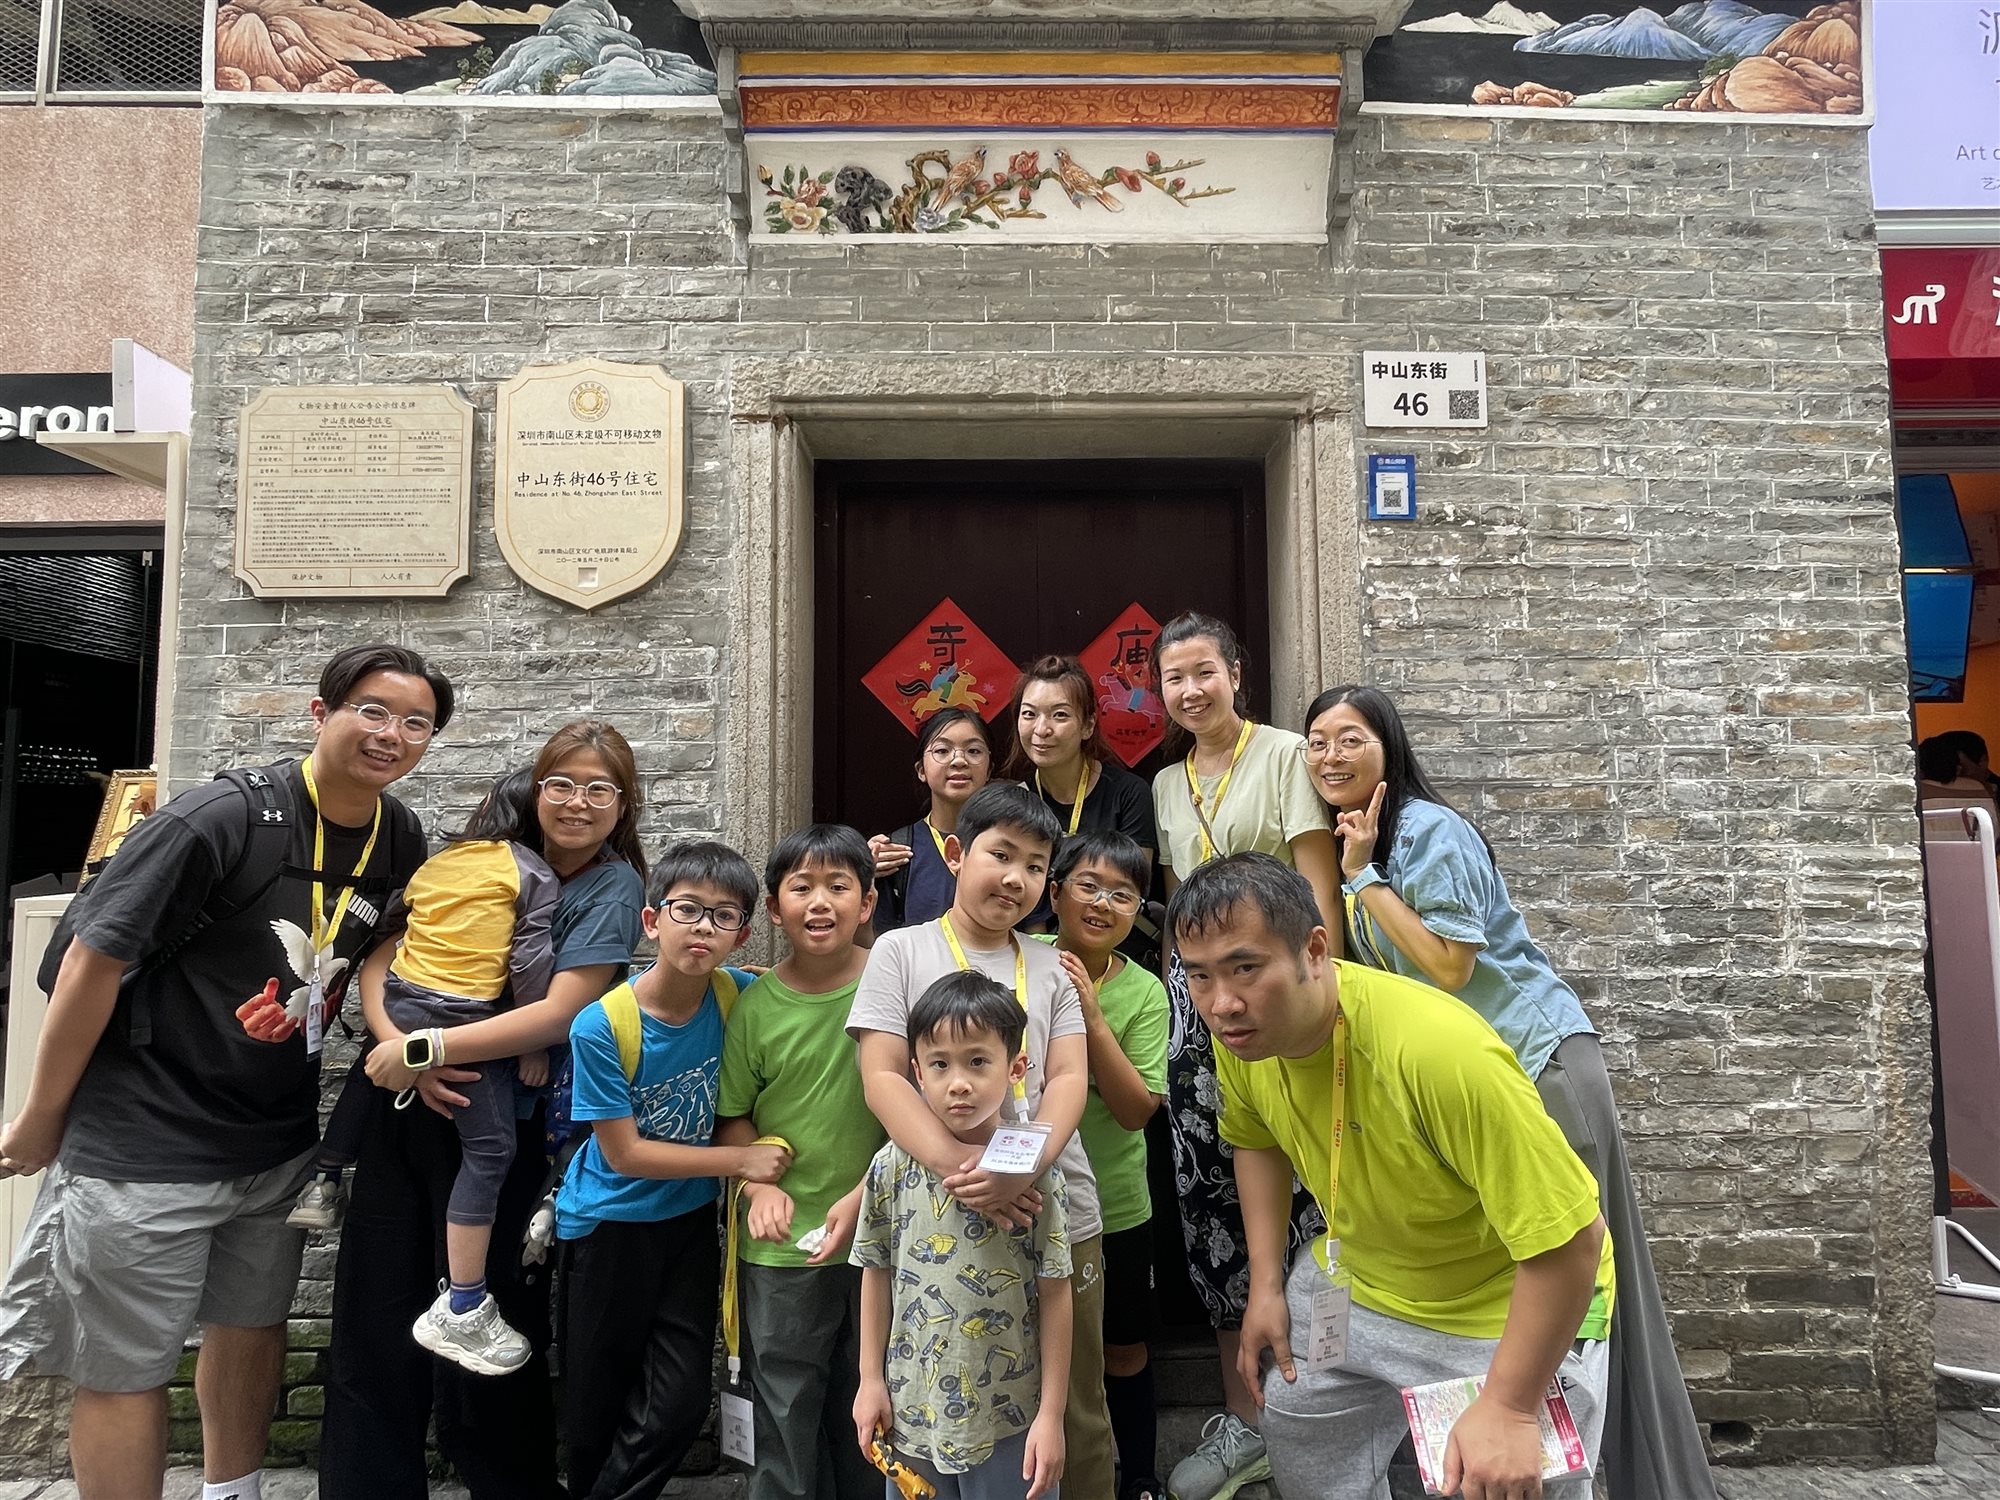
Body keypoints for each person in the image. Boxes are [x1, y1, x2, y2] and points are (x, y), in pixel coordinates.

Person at [0, 643, 444, 1500]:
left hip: (274, 1143)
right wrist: (43, 1115)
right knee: (124, 1364)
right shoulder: (219, 818)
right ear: (321, 713)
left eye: (415, 722)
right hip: (146, 1142)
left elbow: (377, 953)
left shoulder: (398, 834)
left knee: (251, 1327)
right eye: (372, 710)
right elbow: (92, 960)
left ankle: (233, 1492)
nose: (391, 733)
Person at [1303, 683, 1717, 1500]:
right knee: (1527, 1293)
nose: (1331, 755)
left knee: (1584, 1293)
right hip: (1487, 1083)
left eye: (1351, 738)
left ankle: (1637, 1481)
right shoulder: (1364, 839)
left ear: (1389, 747)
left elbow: (1450, 966)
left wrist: (1362, 878)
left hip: (1541, 1066)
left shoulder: (1426, 830)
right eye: (1317, 741)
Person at [1174, 853, 1616, 1500]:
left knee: (1501, 1479)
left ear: (1314, 950)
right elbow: (1256, 1140)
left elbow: (1573, 1239)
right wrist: (1264, 1287)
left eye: (1245, 968)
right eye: (1199, 975)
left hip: (1502, 1306)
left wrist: (1511, 1405)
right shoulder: (1243, 1034)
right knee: (1298, 1430)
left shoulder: (1439, 1052)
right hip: (1362, 1279)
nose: (1221, 1002)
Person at [318, 718, 650, 1500]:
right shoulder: (481, 855)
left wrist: (426, 1050)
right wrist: (402, 1047)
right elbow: (385, 955)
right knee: (375, 1308)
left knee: (493, 1316)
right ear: (535, 790)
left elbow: (561, 1013)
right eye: (560, 784)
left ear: (623, 805)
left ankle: (508, 1486)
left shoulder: (611, 887)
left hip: (508, 1125)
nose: (576, 803)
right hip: (408, 1105)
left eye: (598, 790)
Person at [241, 769, 559, 1376]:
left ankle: (325, 1176)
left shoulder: (437, 863)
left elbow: (396, 925)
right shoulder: (532, 873)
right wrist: (532, 1041)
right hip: (463, 1016)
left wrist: (404, 1041)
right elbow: (528, 958)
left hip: (402, 999)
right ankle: (464, 1303)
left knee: (377, 1066)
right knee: (491, 1152)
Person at [848, 783, 1115, 1500]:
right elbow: (882, 1076)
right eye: (1002, 854)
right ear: (956, 854)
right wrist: (968, 1173)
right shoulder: (900, 950)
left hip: (1049, 1205)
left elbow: (1067, 1078)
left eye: (1035, 865)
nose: (1015, 877)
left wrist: (1020, 1170)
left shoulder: (1053, 964)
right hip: (934, 1209)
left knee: (1072, 1407)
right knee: (943, 1379)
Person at [1146, 612, 1339, 1500]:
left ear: (1235, 673)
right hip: (1200, 1017)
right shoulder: (1165, 783)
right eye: (1173, 677)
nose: (1190, 691)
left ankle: (1323, 1410)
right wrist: (1177, 1014)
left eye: (1204, 672)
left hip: (1286, 1002)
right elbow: (1177, 913)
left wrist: (1323, 1000)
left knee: (1312, 1202)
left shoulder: (1287, 754)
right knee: (1213, 1207)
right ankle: (1246, 1422)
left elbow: (1316, 888)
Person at [554, 839, 789, 1500]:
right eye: (687, 909)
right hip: (604, 1229)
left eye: (723, 916)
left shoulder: (740, 996)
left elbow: (808, 995)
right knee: (593, 1410)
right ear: (652, 920)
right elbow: (625, 1153)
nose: (703, 928)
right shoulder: (602, 1024)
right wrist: (741, 1161)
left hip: (687, 1227)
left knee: (679, 1405)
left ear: (742, 935)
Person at [851, 970, 1073, 1500]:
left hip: (1012, 1417)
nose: (958, 1083)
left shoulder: (1035, 1173)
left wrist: (1052, 1415)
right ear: (916, 1072)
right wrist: (869, 1380)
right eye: (940, 1064)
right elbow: (876, 1272)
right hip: (912, 1412)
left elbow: (1056, 1291)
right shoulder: (890, 1166)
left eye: (977, 1061)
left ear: (1016, 1067)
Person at [716, 823, 885, 1500]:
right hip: (784, 1246)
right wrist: (758, 1188)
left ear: (867, 903)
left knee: (874, 1401)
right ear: (773, 908)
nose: (820, 902)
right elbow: (734, 1116)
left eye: (838, 886)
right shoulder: (756, 1007)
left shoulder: (895, 985)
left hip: (884, 1234)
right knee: (784, 1403)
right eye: (802, 887)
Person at [1041, 831, 1168, 1500]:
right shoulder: (1020, 961)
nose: (1102, 904)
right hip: (1030, 1198)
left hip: (1116, 1204)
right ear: (1054, 891)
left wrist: (1090, 1016)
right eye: (1087, 886)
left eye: (1122, 895)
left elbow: (1135, 1110)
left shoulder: (1145, 992)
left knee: (1122, 1348)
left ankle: (1138, 1476)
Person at [1001, 654, 1157, 938]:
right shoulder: (1015, 801)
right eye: (1029, 714)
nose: (1041, 729)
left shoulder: (1129, 794)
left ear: (1088, 725)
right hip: (1035, 948)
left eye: (1060, 715)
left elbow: (1129, 893)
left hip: (1112, 947)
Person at [869, 708, 996, 934]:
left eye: (973, 751)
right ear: (921, 770)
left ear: (989, 770)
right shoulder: (897, 851)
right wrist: (861, 873)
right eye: (942, 750)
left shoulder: (1011, 844)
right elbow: (878, 941)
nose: (959, 760)